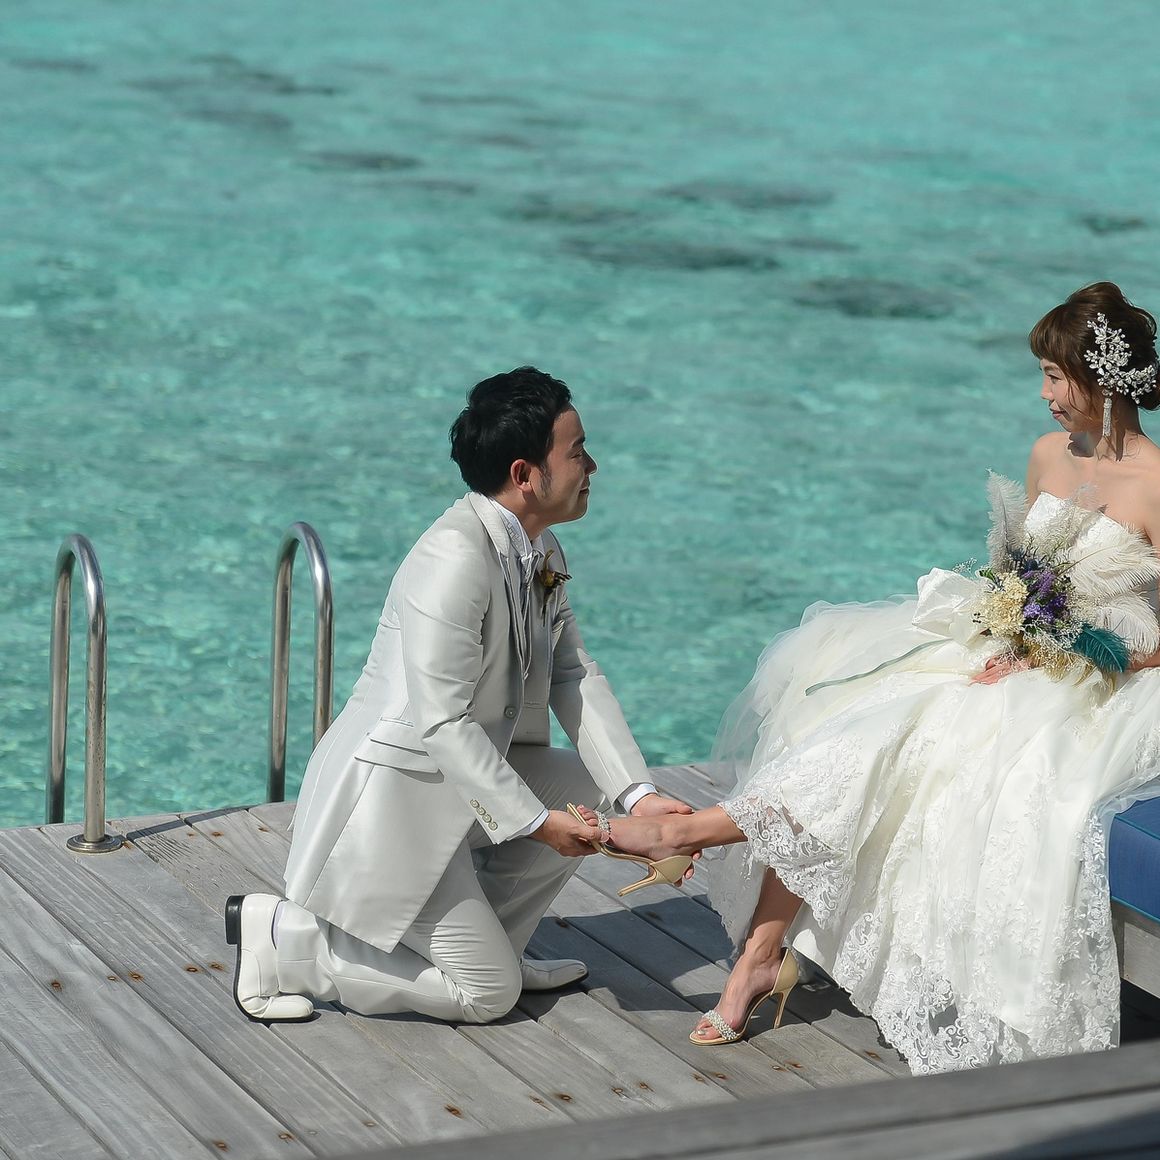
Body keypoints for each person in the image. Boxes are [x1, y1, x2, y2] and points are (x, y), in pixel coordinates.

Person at [574, 282, 1160, 1074]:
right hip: (1014, 649)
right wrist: (1013, 627)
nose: (1044, 394)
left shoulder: (1157, 481)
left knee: (914, 736)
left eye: (1056, 376)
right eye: (1044, 376)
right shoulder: (1047, 454)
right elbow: (1021, 570)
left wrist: (1071, 650)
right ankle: (759, 949)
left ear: (1101, 378)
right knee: (842, 710)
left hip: (1100, 682)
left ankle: (695, 843)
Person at [225, 366, 691, 1024]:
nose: (593, 465)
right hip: (394, 804)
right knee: (485, 996)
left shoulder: (541, 548)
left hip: (454, 786)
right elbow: (442, 722)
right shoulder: (453, 558)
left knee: (584, 786)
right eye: (578, 451)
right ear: (526, 474)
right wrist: (537, 824)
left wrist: (638, 795)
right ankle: (291, 943)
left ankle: (499, 948)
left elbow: (571, 672)